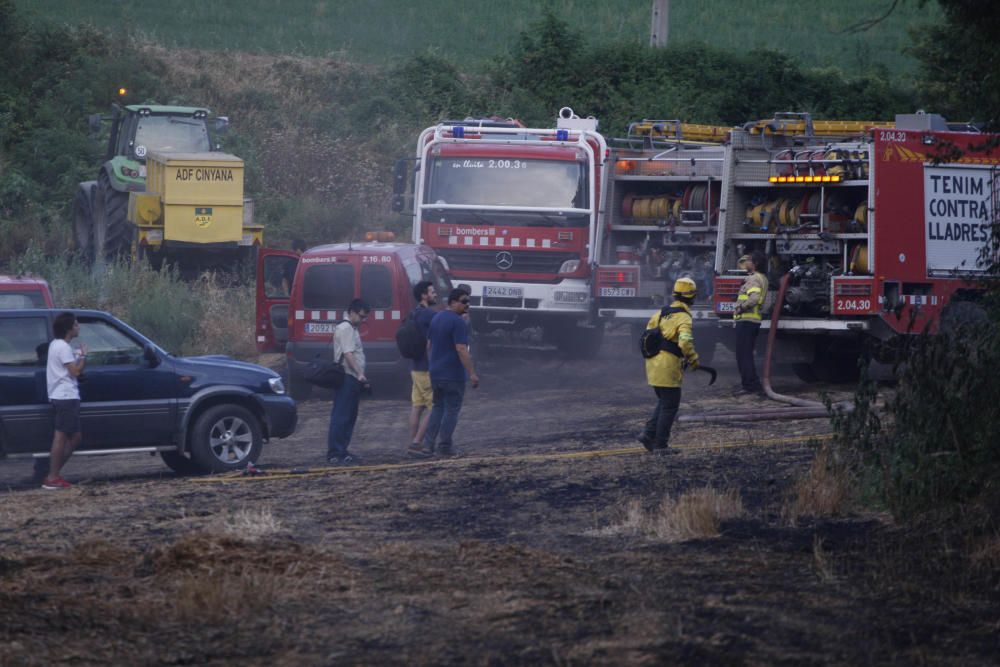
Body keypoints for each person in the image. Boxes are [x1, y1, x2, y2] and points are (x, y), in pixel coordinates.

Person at [639, 277, 700, 453]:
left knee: (664, 401)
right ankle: (661, 445)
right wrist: (694, 360)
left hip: (652, 364)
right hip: (668, 366)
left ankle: (648, 434)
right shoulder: (683, 317)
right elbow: (685, 342)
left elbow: (648, 335)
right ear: (691, 297)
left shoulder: (660, 313)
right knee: (671, 405)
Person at [418, 288, 479, 457]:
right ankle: (444, 447)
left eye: (468, 301)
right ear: (452, 302)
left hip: (436, 373)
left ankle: (428, 445)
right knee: (452, 410)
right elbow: (461, 349)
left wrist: (433, 365)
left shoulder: (436, 317)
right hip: (453, 375)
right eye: (463, 301)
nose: (467, 304)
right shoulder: (458, 322)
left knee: (438, 408)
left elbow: (428, 345)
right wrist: (472, 373)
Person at [42, 312, 88, 489]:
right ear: (69, 328)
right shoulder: (62, 347)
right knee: (62, 437)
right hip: (66, 396)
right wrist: (83, 356)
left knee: (73, 436)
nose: (78, 327)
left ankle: (53, 475)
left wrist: (77, 356)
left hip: (62, 396)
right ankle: (52, 477)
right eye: (76, 325)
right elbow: (75, 372)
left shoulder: (57, 345)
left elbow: (68, 367)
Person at [327, 298, 370, 465]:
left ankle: (342, 451)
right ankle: (335, 453)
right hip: (347, 377)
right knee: (342, 416)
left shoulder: (351, 328)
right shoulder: (345, 328)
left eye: (365, 317)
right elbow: (348, 354)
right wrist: (360, 373)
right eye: (361, 316)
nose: (363, 320)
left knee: (348, 415)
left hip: (351, 377)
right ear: (352, 312)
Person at [406, 280, 438, 458]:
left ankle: (412, 444)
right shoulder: (428, 315)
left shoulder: (413, 314)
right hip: (426, 369)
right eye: (432, 292)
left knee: (417, 407)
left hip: (415, 368)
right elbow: (430, 344)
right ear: (424, 295)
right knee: (435, 407)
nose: (435, 294)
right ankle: (417, 442)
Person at [732, 251, 769, 395]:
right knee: (746, 354)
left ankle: (750, 385)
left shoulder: (753, 278)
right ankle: (751, 383)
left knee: (743, 355)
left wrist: (741, 307)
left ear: (756, 264)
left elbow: (754, 298)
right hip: (752, 321)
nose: (746, 263)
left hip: (746, 320)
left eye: (749, 261)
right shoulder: (762, 278)